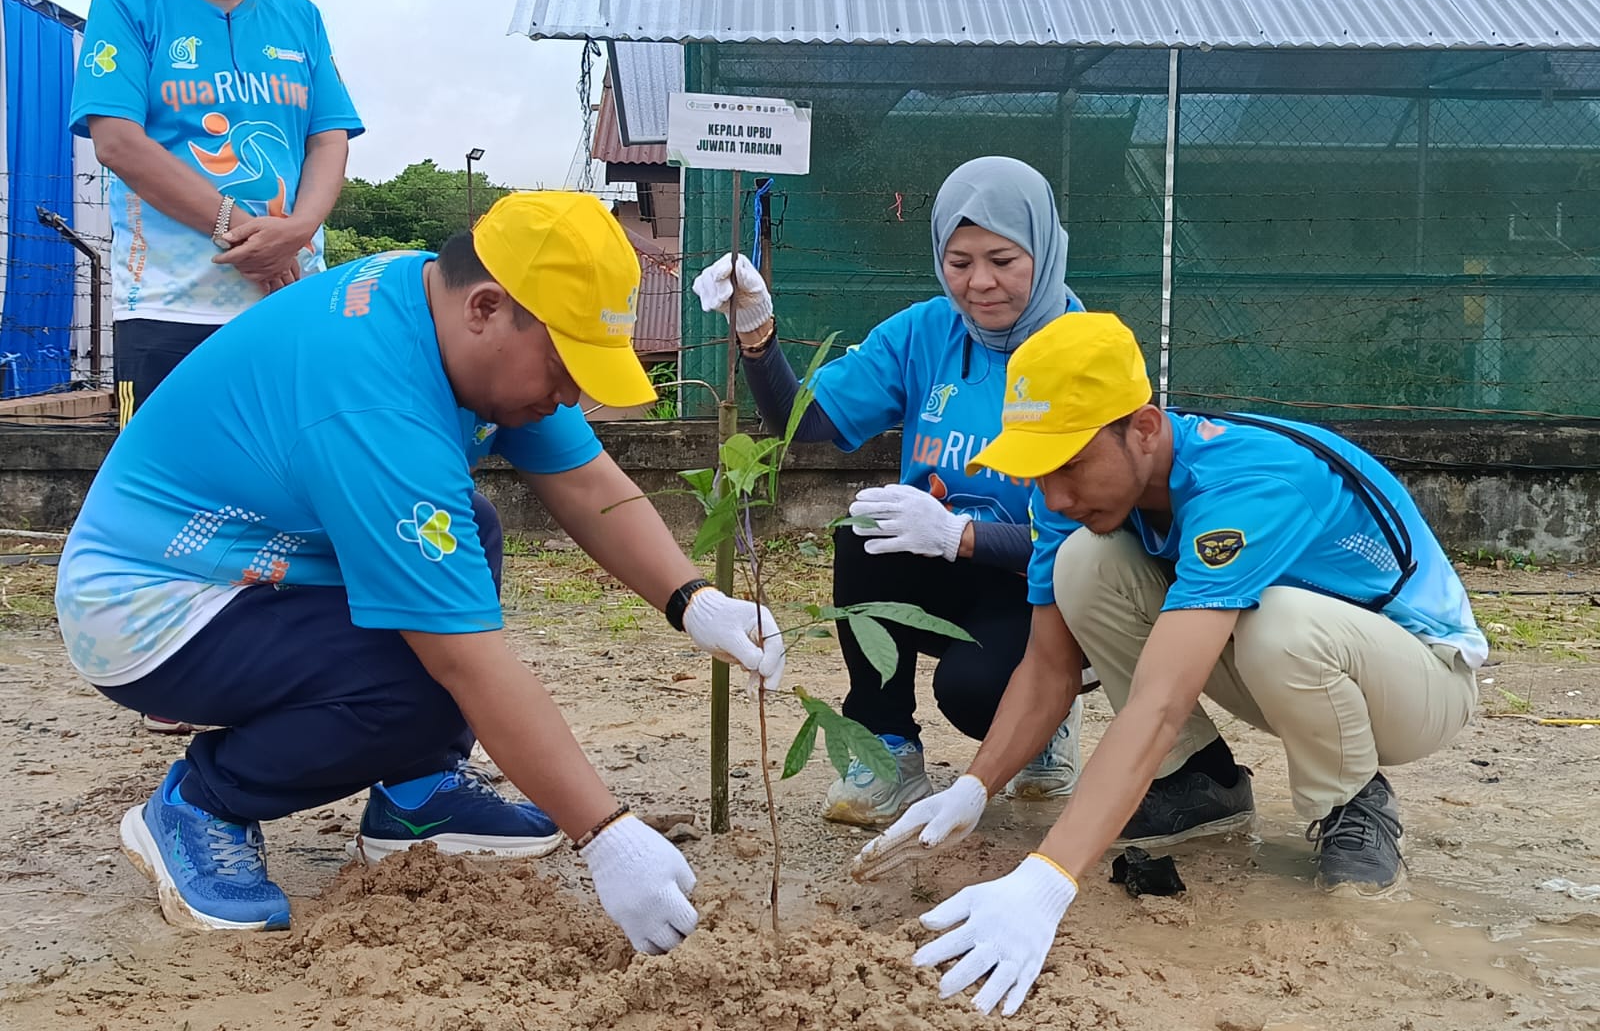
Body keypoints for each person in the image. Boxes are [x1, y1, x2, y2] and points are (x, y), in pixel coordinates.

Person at [54, 192, 784, 948]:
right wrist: (605, 836)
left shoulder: (438, 304)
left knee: (469, 529)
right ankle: (201, 802)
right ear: (488, 308)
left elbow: (587, 481)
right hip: (151, 603)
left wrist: (696, 601)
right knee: (409, 684)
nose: (573, 394)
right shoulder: (376, 405)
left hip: (261, 559)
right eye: (568, 365)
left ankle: (415, 794)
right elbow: (464, 662)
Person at [851, 312, 1484, 1017]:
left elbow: (1159, 701)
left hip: (1418, 680)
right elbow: (1049, 667)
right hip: (1279, 664)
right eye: (1039, 468)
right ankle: (1198, 781)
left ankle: (1351, 802)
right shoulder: (1077, 494)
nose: (1053, 495)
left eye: (1069, 463)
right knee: (1085, 564)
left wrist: (1046, 880)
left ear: (1145, 429)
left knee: (1282, 625)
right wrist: (973, 789)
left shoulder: (1250, 484)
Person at [693, 156, 1088, 827]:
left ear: (1042, 250)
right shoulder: (925, 333)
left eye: (1002, 259)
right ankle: (887, 751)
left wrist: (959, 534)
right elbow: (808, 421)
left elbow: (1090, 537)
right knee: (864, 534)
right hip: (941, 567)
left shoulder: (1085, 352)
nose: (980, 283)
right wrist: (757, 332)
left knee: (971, 695)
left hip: (1042, 582)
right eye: (959, 262)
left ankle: (1045, 721)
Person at [70, 0, 362, 432]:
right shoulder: (126, 8)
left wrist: (299, 232)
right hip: (166, 309)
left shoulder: (299, 16)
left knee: (286, 479)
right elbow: (117, 142)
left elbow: (329, 135)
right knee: (162, 488)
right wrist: (240, 230)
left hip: (285, 298)